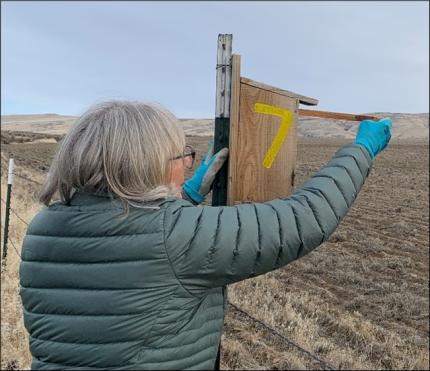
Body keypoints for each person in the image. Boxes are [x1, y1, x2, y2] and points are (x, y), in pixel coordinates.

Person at [19, 100, 392, 370]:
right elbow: (304, 219)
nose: (187, 163)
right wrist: (361, 150)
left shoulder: (44, 229)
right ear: (144, 165)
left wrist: (190, 193)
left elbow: (128, 251)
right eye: (181, 156)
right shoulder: (174, 235)